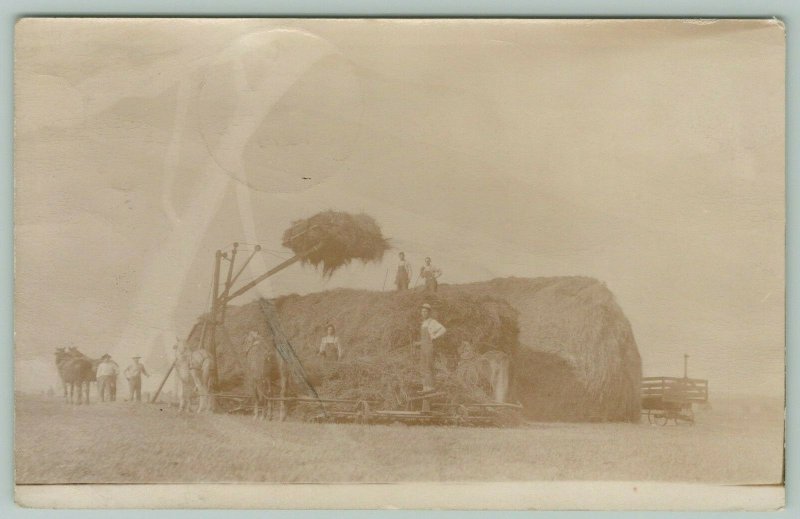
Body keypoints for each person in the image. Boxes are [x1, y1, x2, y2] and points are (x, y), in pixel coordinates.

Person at [416, 303, 446, 393]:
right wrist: (419, 343)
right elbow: (424, 337)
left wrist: (435, 336)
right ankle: (425, 387)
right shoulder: (423, 323)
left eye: (425, 312)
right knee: (423, 366)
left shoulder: (432, 322)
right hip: (423, 347)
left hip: (429, 346)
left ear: (429, 313)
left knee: (429, 366)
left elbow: (443, 329)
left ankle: (430, 387)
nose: (423, 313)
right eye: (422, 312)